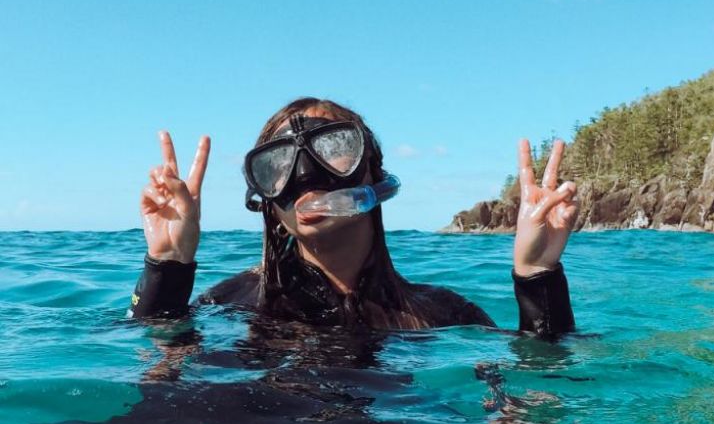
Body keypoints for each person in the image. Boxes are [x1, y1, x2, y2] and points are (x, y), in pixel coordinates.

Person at [129, 97, 579, 338]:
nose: (305, 178)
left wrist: (537, 276)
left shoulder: (447, 315)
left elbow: (539, 392)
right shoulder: (227, 307)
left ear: (374, 174)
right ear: (265, 199)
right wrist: (168, 267)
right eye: (277, 164)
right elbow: (153, 384)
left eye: (334, 150)